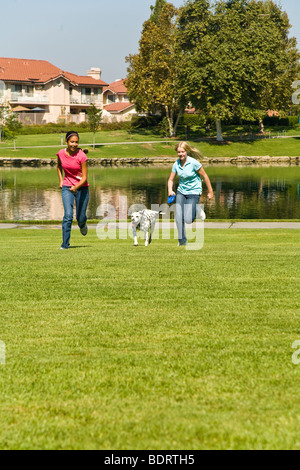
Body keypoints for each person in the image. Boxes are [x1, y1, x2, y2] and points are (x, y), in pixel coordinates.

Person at [167, 141, 214, 246]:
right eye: (179, 152)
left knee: (188, 219)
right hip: (181, 192)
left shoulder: (194, 163)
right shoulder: (176, 164)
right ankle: (182, 242)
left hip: (194, 192)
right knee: (178, 217)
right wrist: (170, 190)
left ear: (186, 151)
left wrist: (210, 192)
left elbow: (205, 177)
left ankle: (197, 209)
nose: (181, 154)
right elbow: (170, 180)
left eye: (182, 151)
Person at [57, 131, 89, 249]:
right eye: (72, 142)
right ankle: (65, 245)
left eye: (76, 142)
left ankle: (82, 224)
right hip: (67, 187)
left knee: (80, 217)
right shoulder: (61, 153)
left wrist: (76, 187)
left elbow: (85, 177)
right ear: (66, 142)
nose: (74, 144)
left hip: (82, 187)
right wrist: (61, 181)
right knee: (68, 216)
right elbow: (59, 167)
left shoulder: (82, 156)